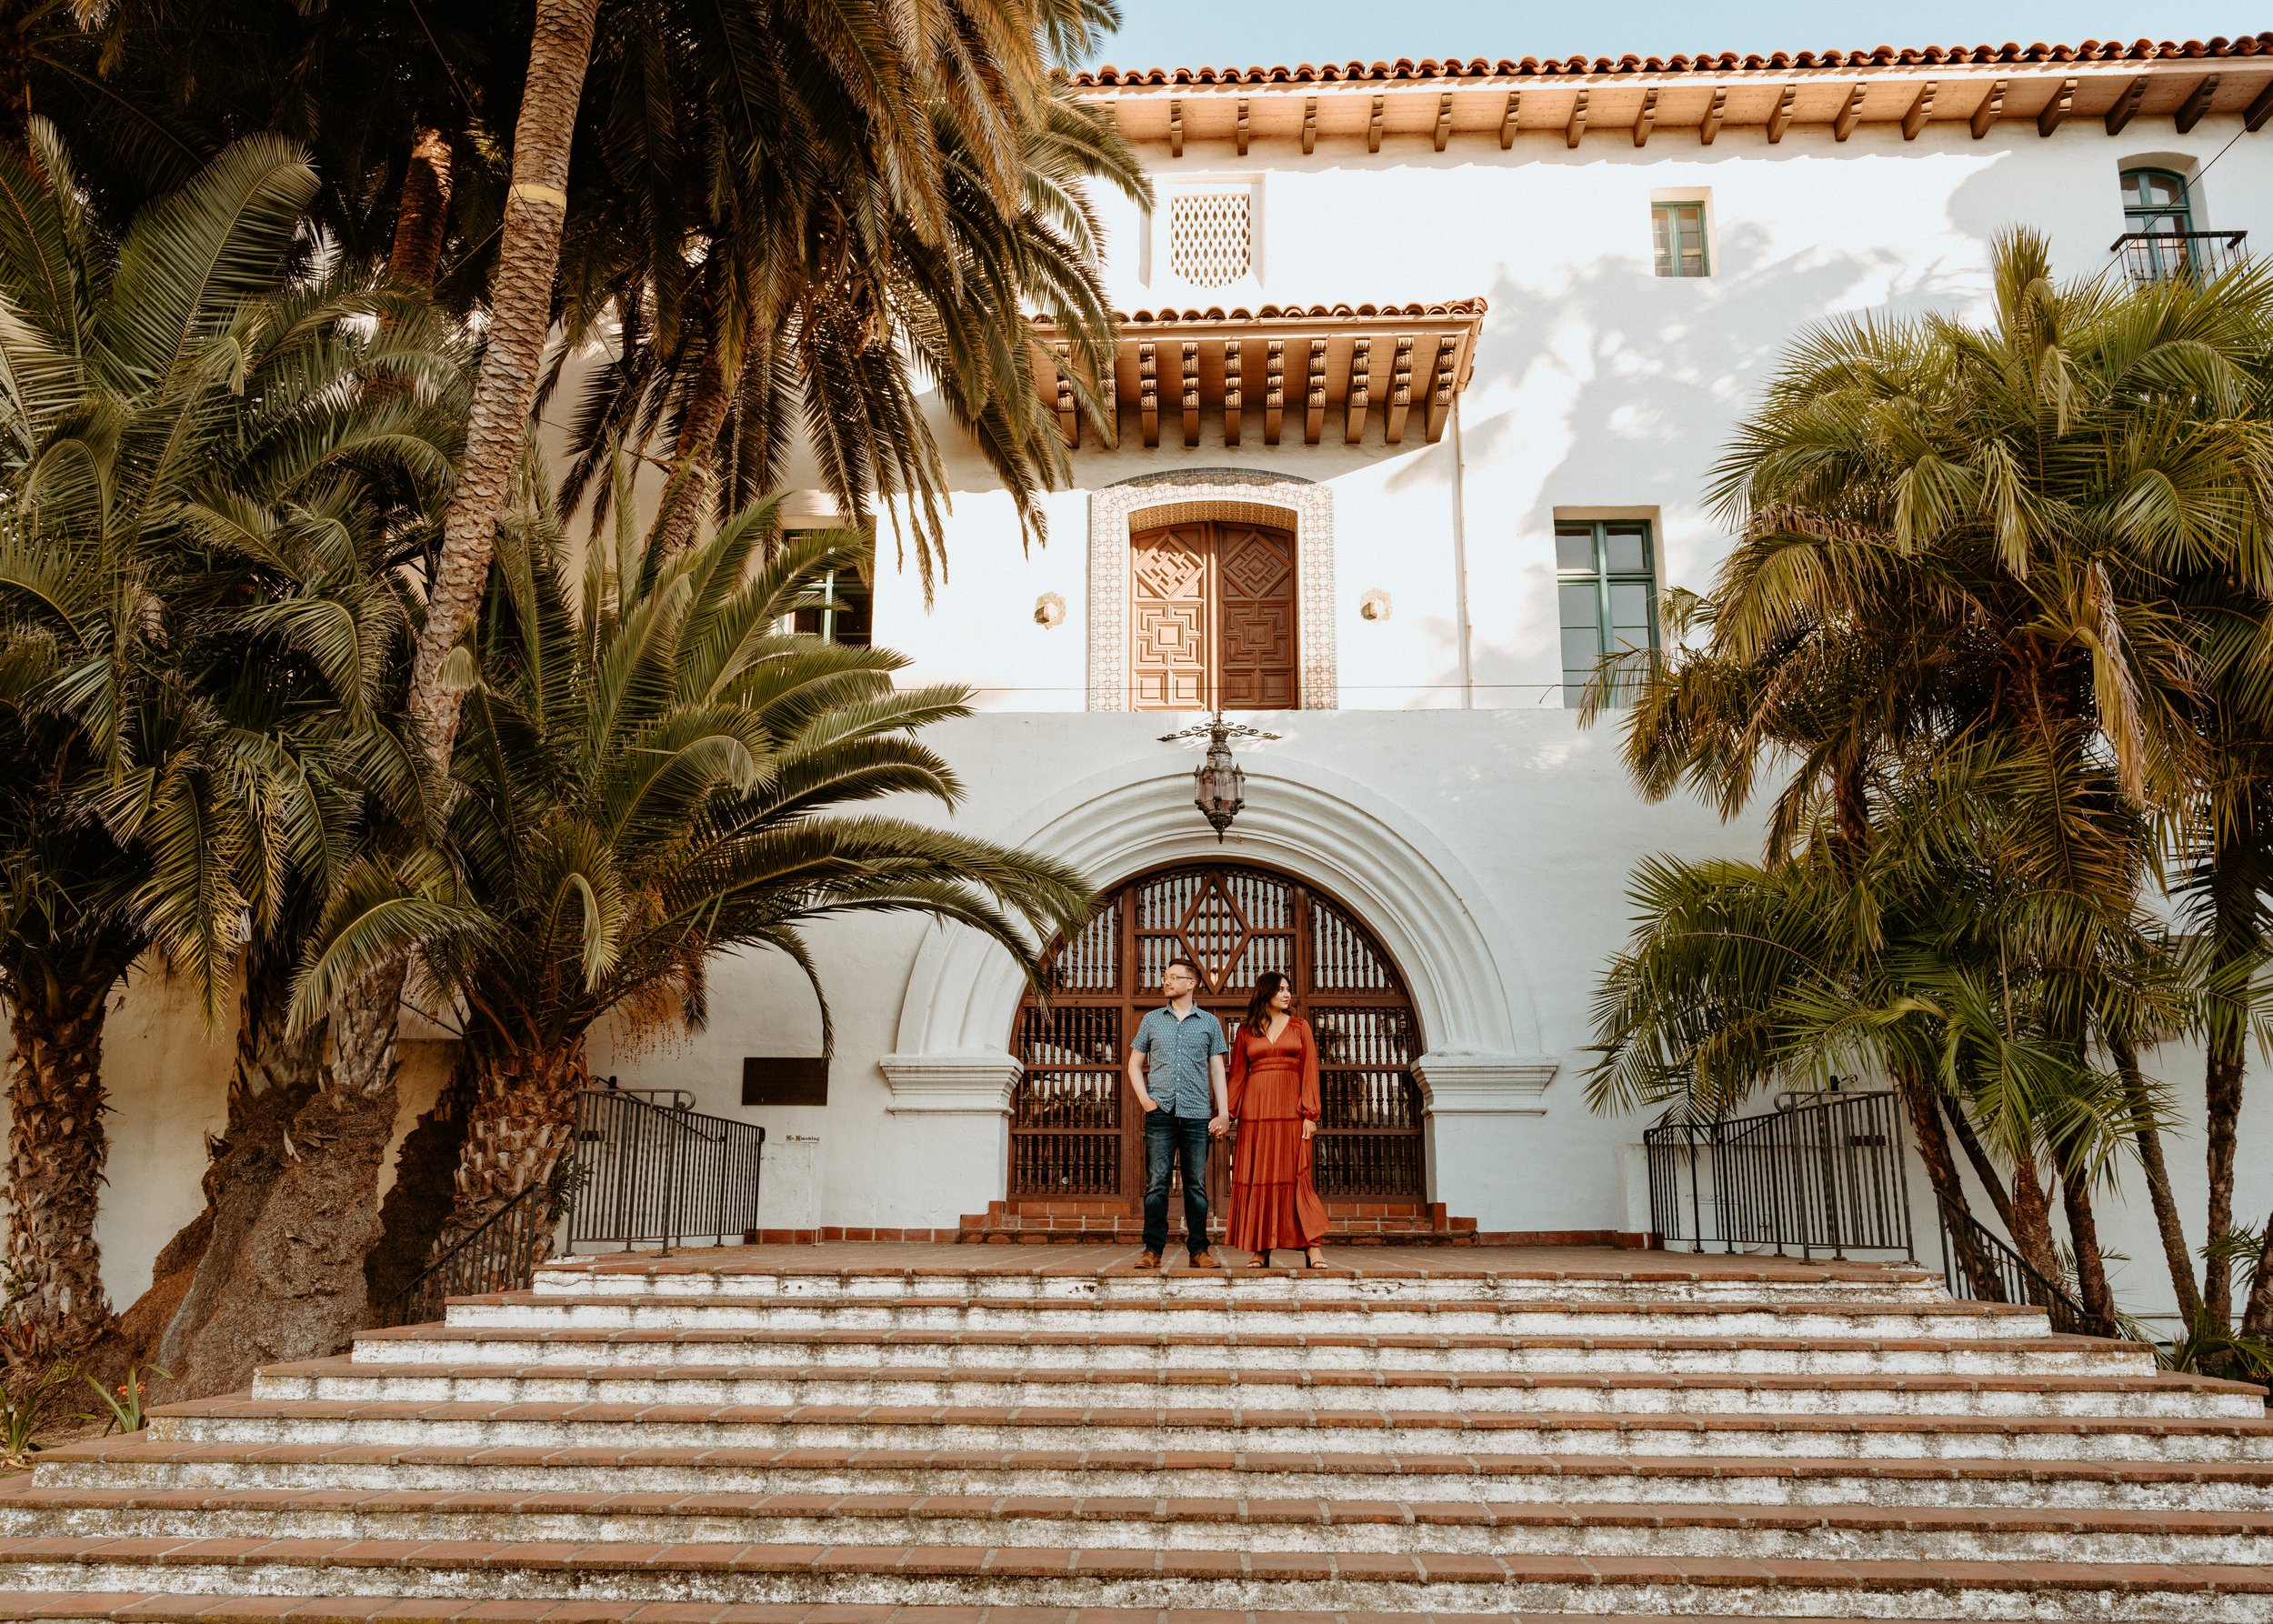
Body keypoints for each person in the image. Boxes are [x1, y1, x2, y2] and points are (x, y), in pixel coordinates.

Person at [1126, 955, 1228, 1269]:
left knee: (1196, 1185)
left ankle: (1199, 1250)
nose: (1165, 981)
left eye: (1172, 976)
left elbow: (1217, 1071)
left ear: (1190, 983)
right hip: (1161, 1112)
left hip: (1197, 1114)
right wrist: (1145, 1100)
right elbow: (1133, 1065)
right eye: (1164, 976)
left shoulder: (1210, 1023)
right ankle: (1152, 1250)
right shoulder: (1152, 1020)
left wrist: (1223, 1113)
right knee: (1157, 1183)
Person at [1224, 970, 1328, 1268]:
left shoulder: (1300, 1027)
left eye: (1288, 989)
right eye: (1280, 989)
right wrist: (1228, 1114)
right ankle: (1261, 1247)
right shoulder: (1246, 1031)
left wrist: (1310, 1114)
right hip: (1256, 1114)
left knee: (1297, 1176)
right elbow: (1237, 1076)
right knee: (1261, 1177)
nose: (1287, 994)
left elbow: (1310, 1070)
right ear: (1265, 993)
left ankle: (1312, 1246)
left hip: (1290, 1113)